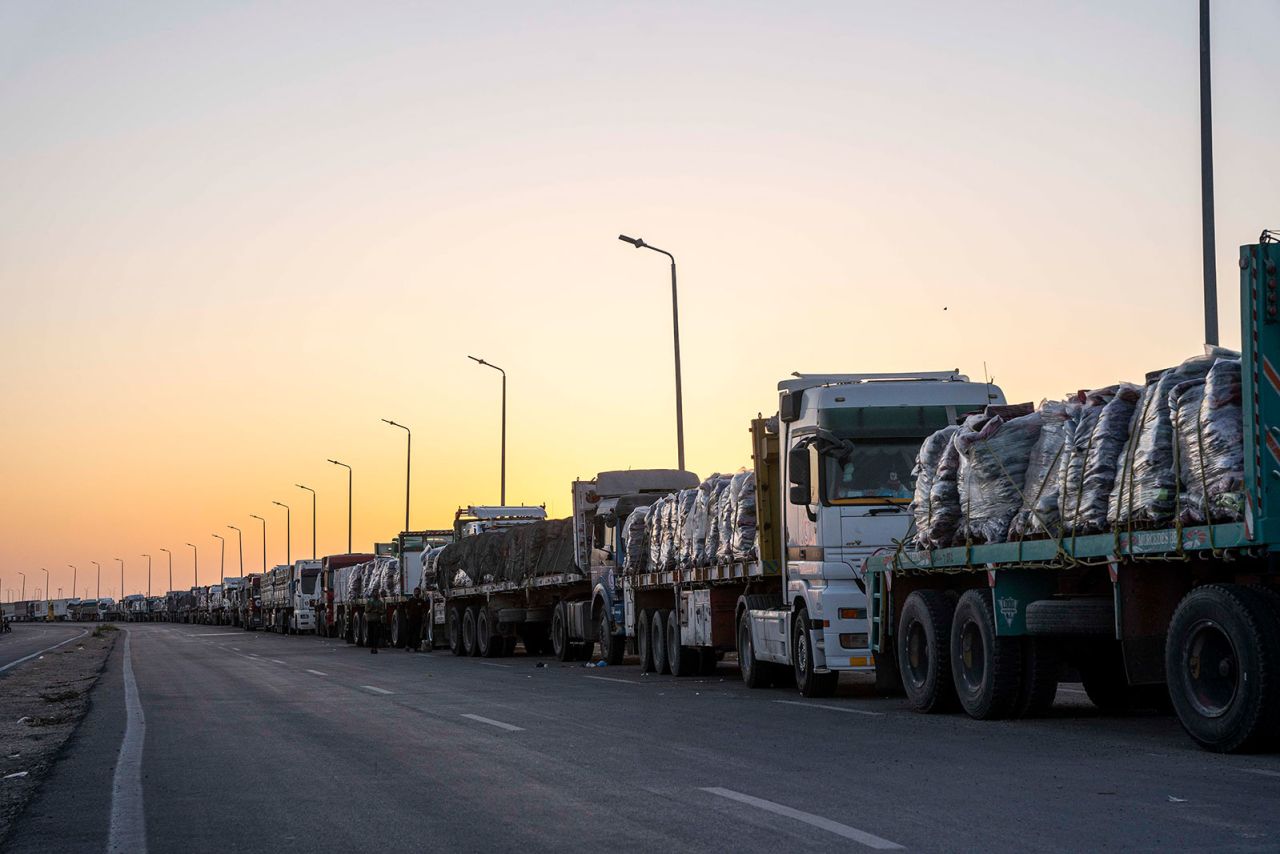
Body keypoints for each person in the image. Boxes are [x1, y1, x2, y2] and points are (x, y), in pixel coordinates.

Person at [366, 589, 385, 654]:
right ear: (372, 593)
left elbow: (383, 611)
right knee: (370, 633)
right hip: (370, 619)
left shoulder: (380, 602)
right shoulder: (369, 601)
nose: (376, 594)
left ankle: (375, 647)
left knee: (376, 634)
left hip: (377, 620)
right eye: (375, 592)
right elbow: (366, 610)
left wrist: (378, 611)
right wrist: (371, 609)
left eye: (377, 592)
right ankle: (372, 646)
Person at [404, 587, 423, 652]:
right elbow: (406, 608)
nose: (417, 593)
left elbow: (423, 609)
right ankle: (407, 645)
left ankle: (416, 647)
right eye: (416, 591)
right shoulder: (411, 600)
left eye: (418, 591)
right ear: (414, 592)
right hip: (411, 618)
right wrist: (407, 615)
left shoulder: (421, 601)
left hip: (418, 619)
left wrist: (424, 616)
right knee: (410, 632)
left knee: (417, 633)